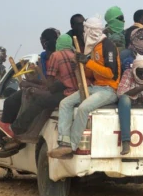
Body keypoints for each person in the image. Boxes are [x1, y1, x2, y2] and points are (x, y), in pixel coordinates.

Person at [49, 17, 122, 158]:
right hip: (95, 87)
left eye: (86, 29)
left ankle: (72, 145)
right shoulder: (94, 47)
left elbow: (110, 73)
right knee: (65, 103)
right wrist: (79, 65)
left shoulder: (108, 46)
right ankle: (64, 142)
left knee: (83, 107)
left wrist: (87, 62)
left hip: (109, 89)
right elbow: (93, 72)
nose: (84, 32)